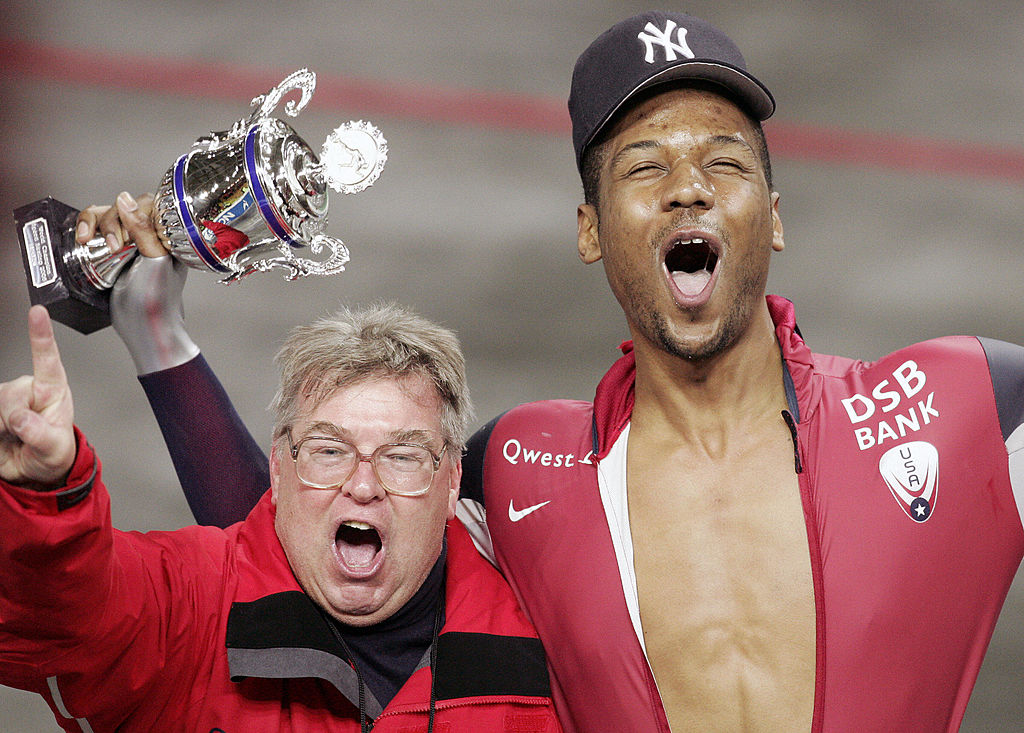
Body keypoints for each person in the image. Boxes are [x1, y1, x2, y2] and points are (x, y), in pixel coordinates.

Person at [74, 10, 1024, 732]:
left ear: (771, 214)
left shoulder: (964, 403)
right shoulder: (525, 470)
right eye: (644, 167)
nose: (687, 185)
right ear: (588, 230)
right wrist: (159, 341)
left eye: (722, 162)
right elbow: (299, 560)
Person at [0, 303, 562, 731]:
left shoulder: (547, 648)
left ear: (452, 481)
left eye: (404, 456)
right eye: (328, 450)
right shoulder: (192, 607)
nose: (363, 487)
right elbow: (63, 612)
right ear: (276, 467)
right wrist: (42, 492)